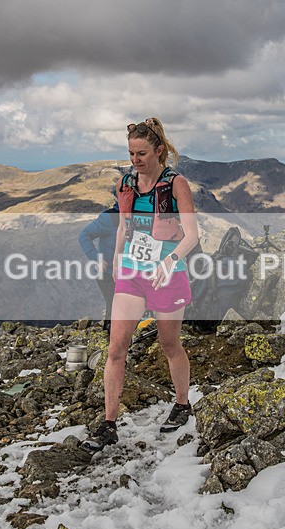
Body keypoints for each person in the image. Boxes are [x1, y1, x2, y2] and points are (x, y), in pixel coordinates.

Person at [82, 117, 199, 452]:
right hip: (133, 274)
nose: (136, 159)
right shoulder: (127, 183)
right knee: (116, 347)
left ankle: (181, 403)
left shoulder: (176, 184)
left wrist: (170, 261)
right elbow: (123, 226)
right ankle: (108, 424)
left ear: (159, 150)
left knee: (169, 345)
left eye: (142, 153)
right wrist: (119, 259)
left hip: (167, 274)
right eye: (131, 153)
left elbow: (192, 235)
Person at [79, 204, 119, 332]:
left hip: (129, 273)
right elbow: (84, 235)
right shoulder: (110, 218)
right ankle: (109, 341)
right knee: (115, 305)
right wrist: (96, 258)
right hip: (107, 273)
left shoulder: (138, 215)